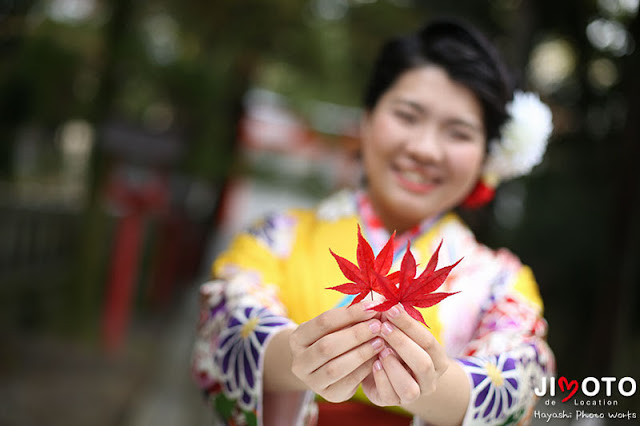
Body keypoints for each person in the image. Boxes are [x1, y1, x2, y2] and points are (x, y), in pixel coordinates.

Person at [192, 18, 555, 426]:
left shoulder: (500, 280)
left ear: (486, 157)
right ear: (366, 120)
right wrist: (296, 355)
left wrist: (435, 387)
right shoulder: (276, 237)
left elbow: (520, 381)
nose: (424, 149)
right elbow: (225, 322)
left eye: (458, 132)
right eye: (407, 115)